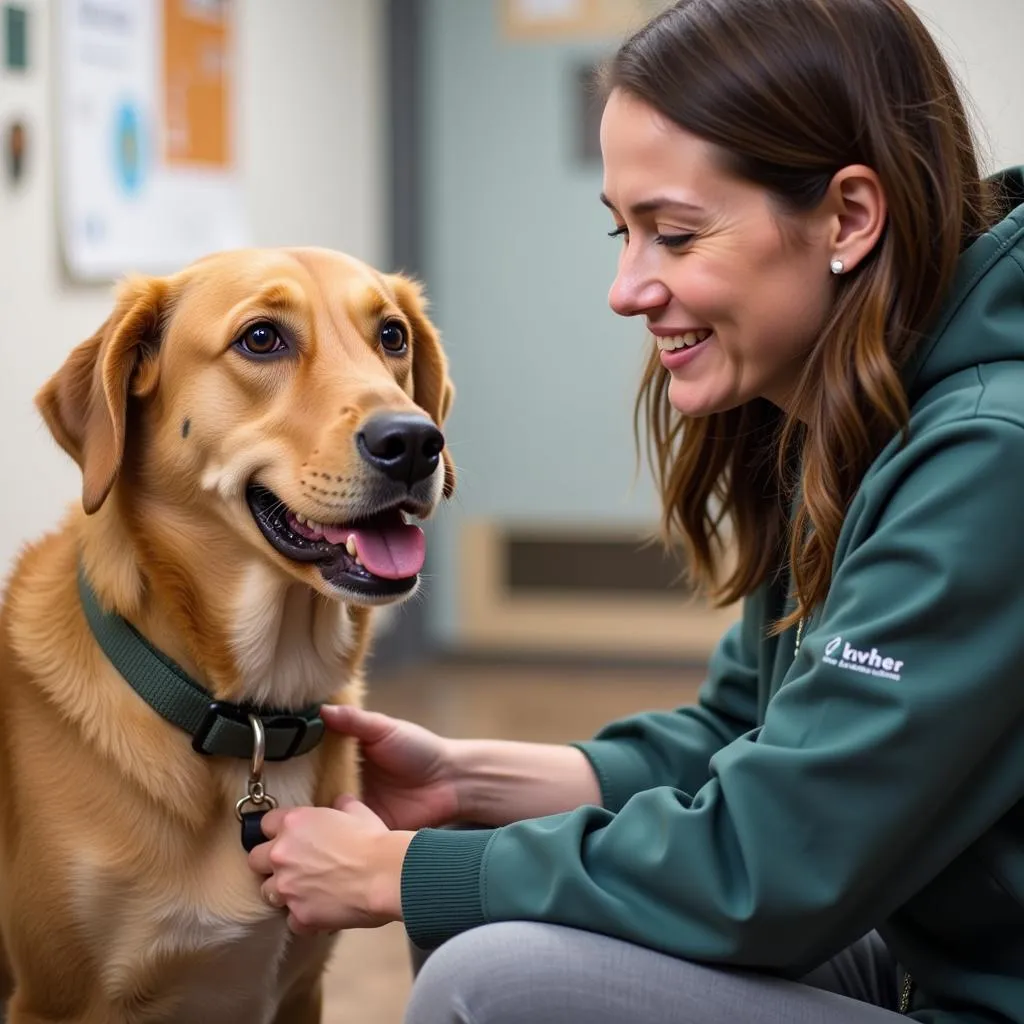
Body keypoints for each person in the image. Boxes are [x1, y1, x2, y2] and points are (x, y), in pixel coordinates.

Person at [248, 0, 1024, 1020]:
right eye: (624, 233)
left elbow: (769, 861)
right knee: (502, 915)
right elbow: (744, 731)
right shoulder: (856, 404)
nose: (626, 288)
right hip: (934, 950)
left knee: (496, 982)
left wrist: (399, 869)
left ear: (846, 218)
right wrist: (466, 781)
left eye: (674, 233)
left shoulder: (989, 456)